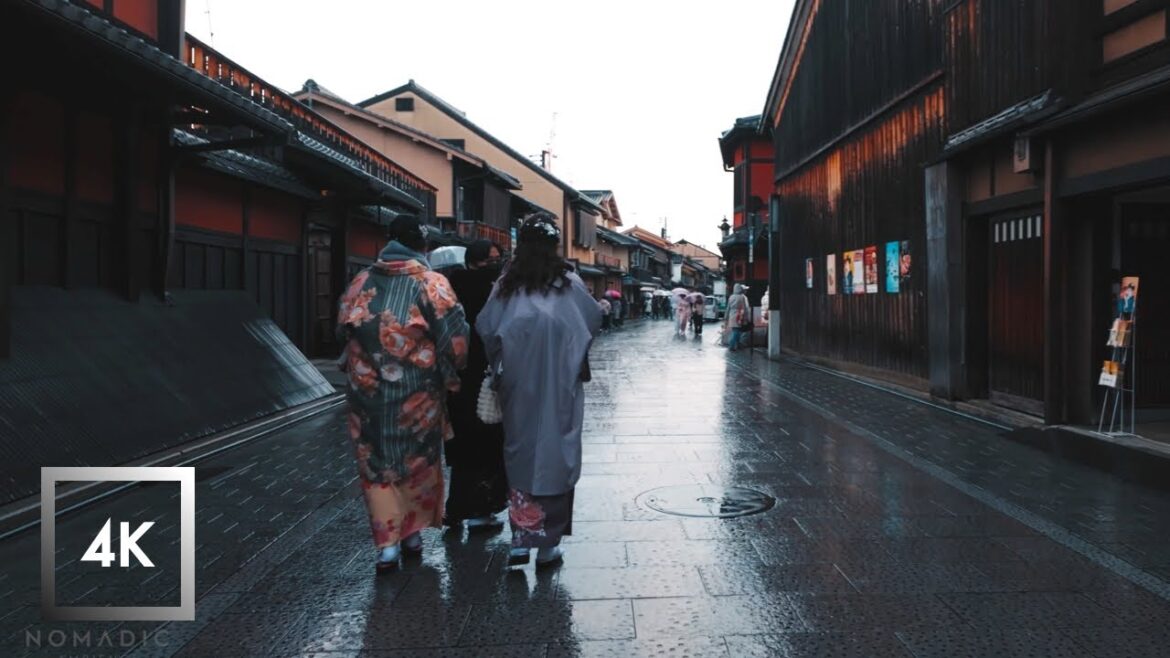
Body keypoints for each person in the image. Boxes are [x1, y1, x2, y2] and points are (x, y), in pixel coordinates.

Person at [337, 214, 469, 571]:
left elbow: (343, 330)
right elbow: (455, 340)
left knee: (376, 463)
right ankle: (412, 534)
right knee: (418, 459)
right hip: (418, 393)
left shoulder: (360, 281)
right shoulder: (431, 283)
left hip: (368, 394)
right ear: (423, 247)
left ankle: (387, 545)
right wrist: (453, 370)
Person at [476, 212, 602, 569]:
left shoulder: (506, 285)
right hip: (561, 381)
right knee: (557, 451)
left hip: (518, 383)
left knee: (520, 451)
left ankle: (520, 539)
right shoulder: (569, 284)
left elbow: (486, 328)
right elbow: (592, 321)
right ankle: (548, 546)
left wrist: (502, 361)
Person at [443, 240, 508, 533]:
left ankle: (455, 509)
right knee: (487, 443)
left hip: (457, 377)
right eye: (489, 258)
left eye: (497, 258)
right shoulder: (498, 290)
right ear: (475, 260)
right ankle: (480, 511)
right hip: (485, 375)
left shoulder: (448, 289)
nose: (493, 263)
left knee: (462, 447)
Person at [726, 284, 751, 351]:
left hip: (732, 315)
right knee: (737, 331)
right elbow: (744, 308)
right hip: (739, 316)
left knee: (735, 330)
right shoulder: (741, 297)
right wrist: (746, 318)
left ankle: (737, 345)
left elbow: (728, 308)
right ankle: (732, 345)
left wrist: (726, 317)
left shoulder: (731, 297)